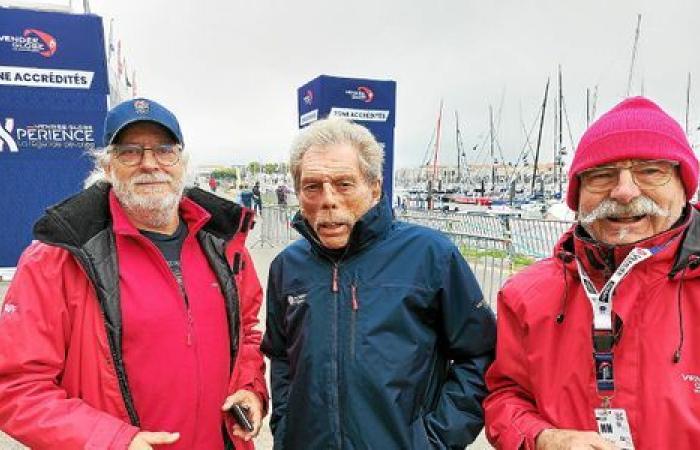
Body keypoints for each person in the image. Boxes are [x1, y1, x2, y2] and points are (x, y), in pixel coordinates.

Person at [0, 98, 267, 450]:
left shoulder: (223, 244)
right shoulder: (58, 257)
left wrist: (249, 387)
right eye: (130, 152)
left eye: (164, 150)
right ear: (107, 167)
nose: (149, 164)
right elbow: (17, 386)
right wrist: (111, 441)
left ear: (181, 162)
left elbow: (248, 332)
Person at [261, 117, 496, 449]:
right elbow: (282, 357)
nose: (327, 200)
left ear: (374, 187)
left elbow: (480, 353)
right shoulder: (287, 266)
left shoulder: (431, 255)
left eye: (344, 184)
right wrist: (285, 430)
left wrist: (434, 440)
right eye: (312, 186)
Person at [484, 97, 700, 449]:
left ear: (683, 187)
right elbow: (504, 395)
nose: (625, 191)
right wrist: (543, 439)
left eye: (650, 170)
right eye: (602, 175)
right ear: (578, 193)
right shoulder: (524, 295)